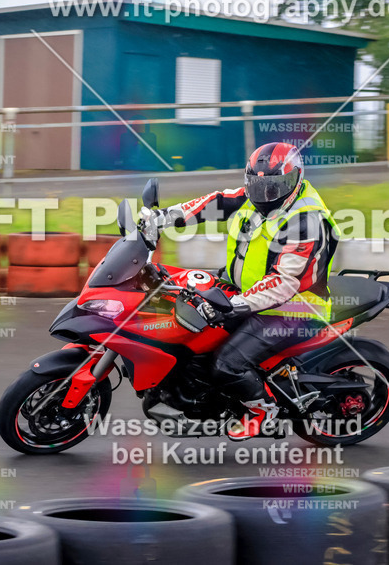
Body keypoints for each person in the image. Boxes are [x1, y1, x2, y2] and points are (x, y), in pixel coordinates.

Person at [140, 142, 340, 440]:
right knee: (181, 299)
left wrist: (235, 304)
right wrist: (164, 218)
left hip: (291, 308)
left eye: (274, 186)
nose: (265, 193)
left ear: (295, 179)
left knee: (226, 364)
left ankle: (262, 411)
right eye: (258, 184)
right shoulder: (256, 195)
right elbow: (213, 203)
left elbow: (284, 282)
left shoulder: (305, 221)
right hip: (247, 291)